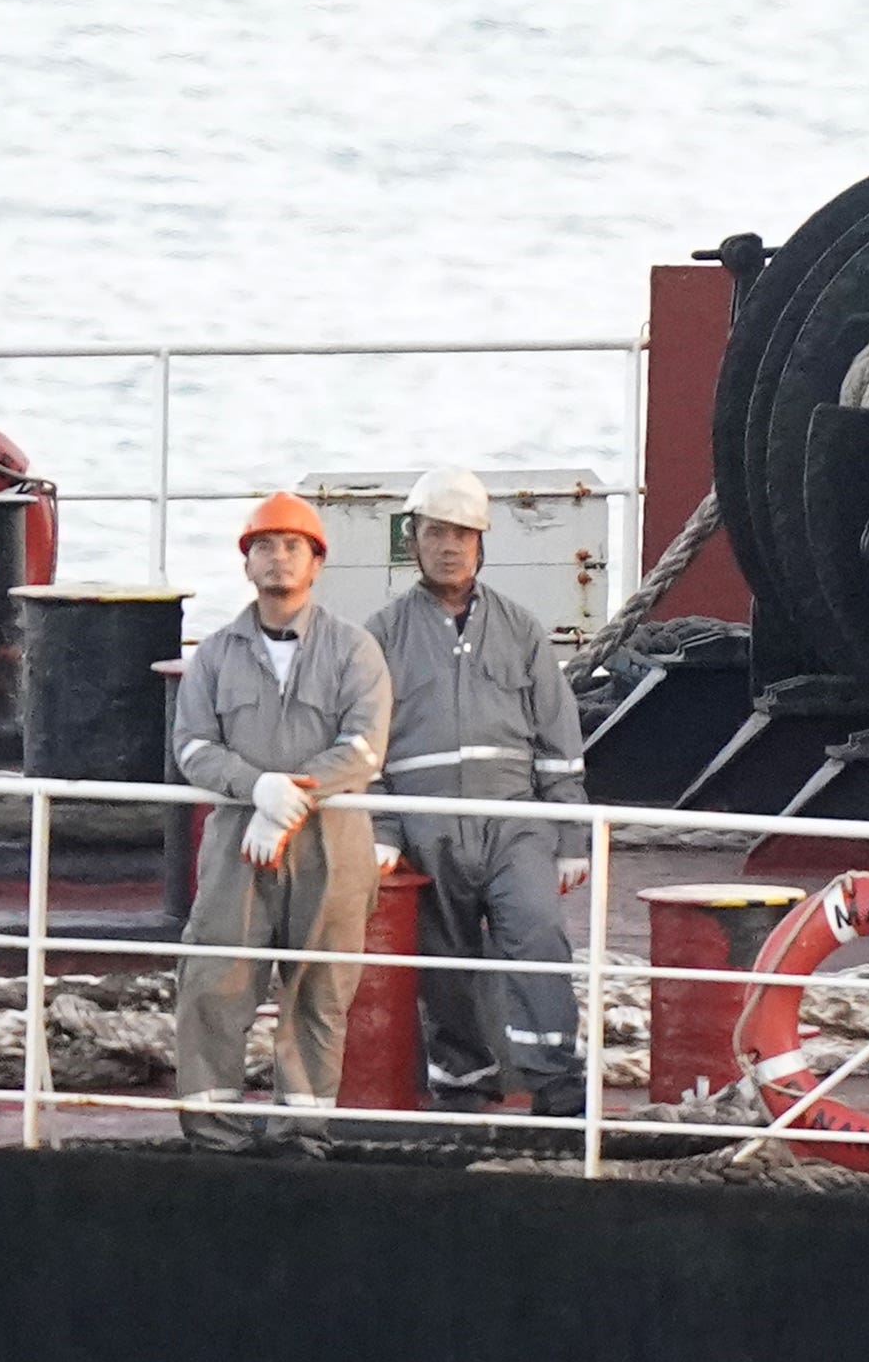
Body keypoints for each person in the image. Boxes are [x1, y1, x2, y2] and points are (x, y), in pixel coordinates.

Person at [373, 464, 589, 1114]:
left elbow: (557, 740)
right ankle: (465, 1077)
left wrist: (570, 835)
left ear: (481, 543)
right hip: (423, 821)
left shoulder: (521, 629)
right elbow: (364, 746)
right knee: (446, 956)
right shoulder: (381, 635)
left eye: (462, 534)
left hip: (513, 819)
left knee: (538, 933)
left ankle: (553, 1080)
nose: (449, 546)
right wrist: (383, 831)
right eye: (436, 532)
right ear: (413, 539)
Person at [172, 489, 391, 1119]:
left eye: (293, 546)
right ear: (246, 564)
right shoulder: (213, 655)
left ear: (316, 562)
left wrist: (285, 802)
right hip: (237, 845)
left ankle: (303, 1130)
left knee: (320, 992)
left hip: (333, 843)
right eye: (263, 547)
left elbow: (364, 749)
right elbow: (191, 746)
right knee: (216, 980)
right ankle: (213, 1129)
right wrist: (255, 790)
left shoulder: (354, 650)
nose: (278, 559)